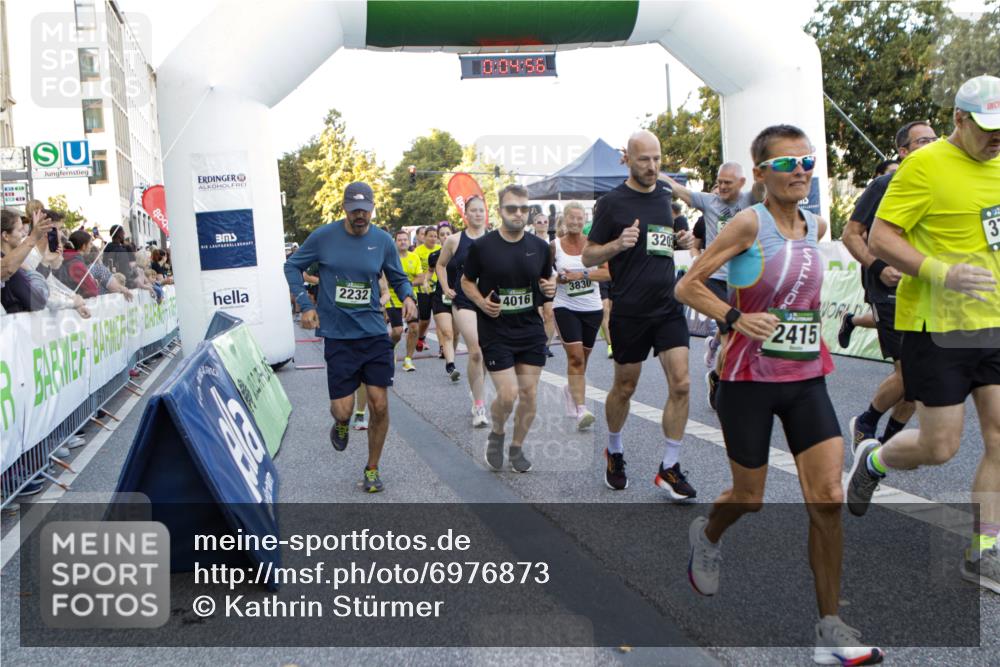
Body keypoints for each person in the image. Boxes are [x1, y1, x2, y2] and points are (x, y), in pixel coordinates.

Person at [676, 124, 884, 665]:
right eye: (788, 164)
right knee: (750, 497)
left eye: (808, 162)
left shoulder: (814, 225)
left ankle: (830, 628)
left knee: (828, 501)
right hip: (748, 382)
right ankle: (709, 534)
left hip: (806, 377)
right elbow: (689, 284)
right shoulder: (749, 223)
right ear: (763, 173)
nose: (802, 172)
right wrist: (735, 317)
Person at [848, 75, 1000, 593]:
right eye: (987, 129)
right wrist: (940, 271)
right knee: (940, 447)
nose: (996, 138)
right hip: (938, 325)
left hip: (994, 321)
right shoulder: (924, 166)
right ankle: (873, 458)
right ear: (959, 120)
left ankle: (985, 547)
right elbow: (882, 236)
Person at [582, 130, 696, 494]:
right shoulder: (612, 203)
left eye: (657, 158)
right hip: (629, 310)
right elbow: (588, 255)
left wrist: (685, 240)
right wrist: (617, 244)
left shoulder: (666, 198)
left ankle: (670, 466)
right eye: (644, 159)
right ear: (628, 159)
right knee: (625, 387)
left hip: (668, 306)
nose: (652, 166)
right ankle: (614, 450)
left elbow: (670, 236)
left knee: (681, 383)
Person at [283, 182, 416, 493]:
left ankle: (372, 468)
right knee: (342, 409)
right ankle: (342, 422)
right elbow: (292, 265)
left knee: (379, 404)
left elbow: (396, 275)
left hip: (373, 333)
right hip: (339, 337)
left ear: (372, 209)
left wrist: (407, 295)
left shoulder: (382, 240)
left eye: (366, 210)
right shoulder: (324, 237)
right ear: (344, 207)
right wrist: (305, 304)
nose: (361, 215)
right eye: (355, 209)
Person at [840, 121, 937, 448]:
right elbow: (850, 234)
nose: (931, 145)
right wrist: (879, 266)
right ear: (904, 151)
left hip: (929, 292)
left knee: (920, 378)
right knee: (911, 374)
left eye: (934, 140)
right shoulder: (885, 184)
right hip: (889, 292)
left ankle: (888, 441)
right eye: (922, 141)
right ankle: (867, 422)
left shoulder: (942, 186)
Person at [461, 184, 557, 472]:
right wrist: (480, 302)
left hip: (529, 329)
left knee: (529, 395)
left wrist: (550, 288)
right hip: (496, 330)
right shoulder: (483, 247)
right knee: (508, 394)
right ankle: (497, 433)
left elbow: (546, 282)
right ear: (500, 210)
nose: (518, 213)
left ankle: (516, 447)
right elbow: (466, 282)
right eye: (512, 208)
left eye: (524, 208)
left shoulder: (540, 247)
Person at [663, 163, 764, 410]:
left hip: (745, 279)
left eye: (727, 183)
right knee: (734, 334)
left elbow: (765, 184)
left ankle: (716, 374)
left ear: (741, 182)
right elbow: (675, 187)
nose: (721, 187)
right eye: (719, 182)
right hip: (716, 278)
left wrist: (763, 162)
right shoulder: (708, 201)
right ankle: (734, 389)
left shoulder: (752, 199)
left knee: (745, 334)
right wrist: (644, 164)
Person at [552, 201, 610, 431]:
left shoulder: (594, 246)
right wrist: (559, 279)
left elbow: (607, 274)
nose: (575, 222)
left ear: (585, 221)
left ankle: (570, 389)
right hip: (565, 306)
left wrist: (582, 274)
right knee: (575, 358)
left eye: (580, 218)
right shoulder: (554, 246)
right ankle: (581, 409)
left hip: (592, 308)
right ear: (564, 220)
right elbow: (546, 276)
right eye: (571, 218)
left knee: (582, 361)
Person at [438, 195, 490, 427]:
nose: (478, 214)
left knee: (487, 354)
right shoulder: (454, 240)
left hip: (489, 300)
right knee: (476, 351)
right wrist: (446, 286)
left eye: (482, 210)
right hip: (464, 300)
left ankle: (476, 391)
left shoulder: (495, 239)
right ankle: (479, 406)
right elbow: (440, 265)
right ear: (465, 214)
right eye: (474, 210)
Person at [386, 229, 424, 372]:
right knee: (397, 331)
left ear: (409, 242)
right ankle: (391, 347)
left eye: (405, 239)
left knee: (414, 328)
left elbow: (420, 278)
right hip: (393, 298)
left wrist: (406, 284)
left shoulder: (414, 257)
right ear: (395, 243)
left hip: (410, 297)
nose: (403, 242)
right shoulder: (390, 258)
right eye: (400, 240)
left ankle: (408, 359)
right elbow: (385, 279)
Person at [429, 223, 461, 381]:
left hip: (458, 297)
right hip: (440, 297)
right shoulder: (434, 256)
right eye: (442, 234)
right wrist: (425, 283)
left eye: (448, 233)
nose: (445, 236)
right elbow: (429, 273)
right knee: (447, 332)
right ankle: (451, 365)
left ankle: (451, 355)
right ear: (438, 237)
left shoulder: (460, 254)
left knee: (455, 333)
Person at [1, 209, 49, 313]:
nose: (23, 235)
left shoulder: (16, 264)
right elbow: (38, 301)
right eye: (19, 230)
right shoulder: (13, 269)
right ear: (5, 236)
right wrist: (29, 271)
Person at [530, 210, 557, 355]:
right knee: (536, 314)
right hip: (533, 282)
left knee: (549, 314)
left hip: (549, 281)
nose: (542, 224)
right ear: (534, 224)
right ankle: (536, 342)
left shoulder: (553, 241)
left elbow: (559, 262)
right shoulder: (529, 241)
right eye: (539, 222)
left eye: (545, 222)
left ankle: (546, 346)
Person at [413, 226, 440, 353]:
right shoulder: (417, 252)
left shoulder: (441, 250)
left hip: (438, 287)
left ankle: (443, 348)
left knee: (440, 318)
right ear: (424, 237)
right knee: (424, 319)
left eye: (435, 236)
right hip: (422, 289)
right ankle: (420, 338)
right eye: (431, 236)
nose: (433, 238)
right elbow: (415, 272)